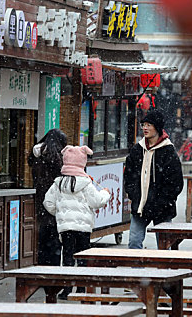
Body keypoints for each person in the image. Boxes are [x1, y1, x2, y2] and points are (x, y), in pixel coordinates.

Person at [44, 145, 110, 299]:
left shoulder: (58, 183)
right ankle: (81, 289)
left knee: (67, 257)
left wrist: (60, 213)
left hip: (65, 227)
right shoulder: (86, 183)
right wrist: (105, 193)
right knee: (82, 257)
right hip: (83, 228)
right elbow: (97, 202)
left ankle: (66, 290)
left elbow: (47, 202)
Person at [124, 108, 183, 249]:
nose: (145, 128)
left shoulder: (168, 151)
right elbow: (129, 175)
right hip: (140, 206)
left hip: (162, 207)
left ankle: (165, 271)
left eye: (149, 125)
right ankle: (136, 271)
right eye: (144, 125)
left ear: (157, 127)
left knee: (165, 246)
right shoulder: (137, 149)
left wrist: (163, 200)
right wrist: (134, 194)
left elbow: (176, 182)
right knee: (134, 242)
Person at [27, 129, 67, 266]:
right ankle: (53, 270)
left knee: (42, 238)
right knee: (55, 238)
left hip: (39, 200)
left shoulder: (37, 157)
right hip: (55, 202)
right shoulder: (58, 159)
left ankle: (42, 267)